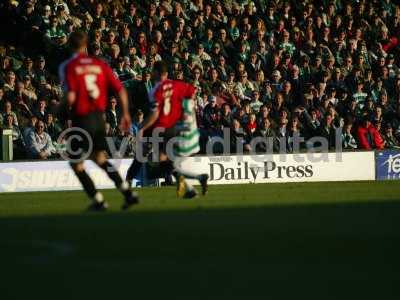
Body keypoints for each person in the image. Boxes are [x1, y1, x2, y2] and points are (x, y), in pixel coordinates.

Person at [59, 31, 138, 211]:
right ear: (86, 44)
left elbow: (70, 96)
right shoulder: (99, 65)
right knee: (100, 158)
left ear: (70, 45)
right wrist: (125, 114)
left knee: (76, 164)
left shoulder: (69, 66)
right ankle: (128, 193)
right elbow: (121, 90)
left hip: (82, 118)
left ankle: (98, 200)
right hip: (99, 118)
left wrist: (58, 108)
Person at [137, 61, 208, 198]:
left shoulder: (155, 90)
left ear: (157, 73)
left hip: (165, 128)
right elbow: (192, 92)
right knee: (168, 163)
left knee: (163, 161)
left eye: (152, 71)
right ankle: (194, 184)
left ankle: (194, 182)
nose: (151, 73)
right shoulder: (178, 84)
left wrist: (142, 127)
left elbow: (155, 114)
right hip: (177, 128)